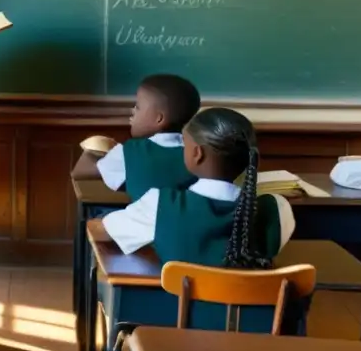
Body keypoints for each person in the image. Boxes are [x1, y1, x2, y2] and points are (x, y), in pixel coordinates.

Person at [101, 106, 296, 267]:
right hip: (253, 314)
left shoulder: (160, 205)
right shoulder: (276, 210)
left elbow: (101, 231)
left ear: (197, 154)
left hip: (180, 313)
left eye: (184, 145)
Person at [72, 73, 201, 200]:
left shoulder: (128, 152)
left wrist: (95, 145)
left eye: (138, 107)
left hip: (144, 220)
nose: (132, 111)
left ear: (159, 119)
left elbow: (80, 172)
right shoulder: (199, 154)